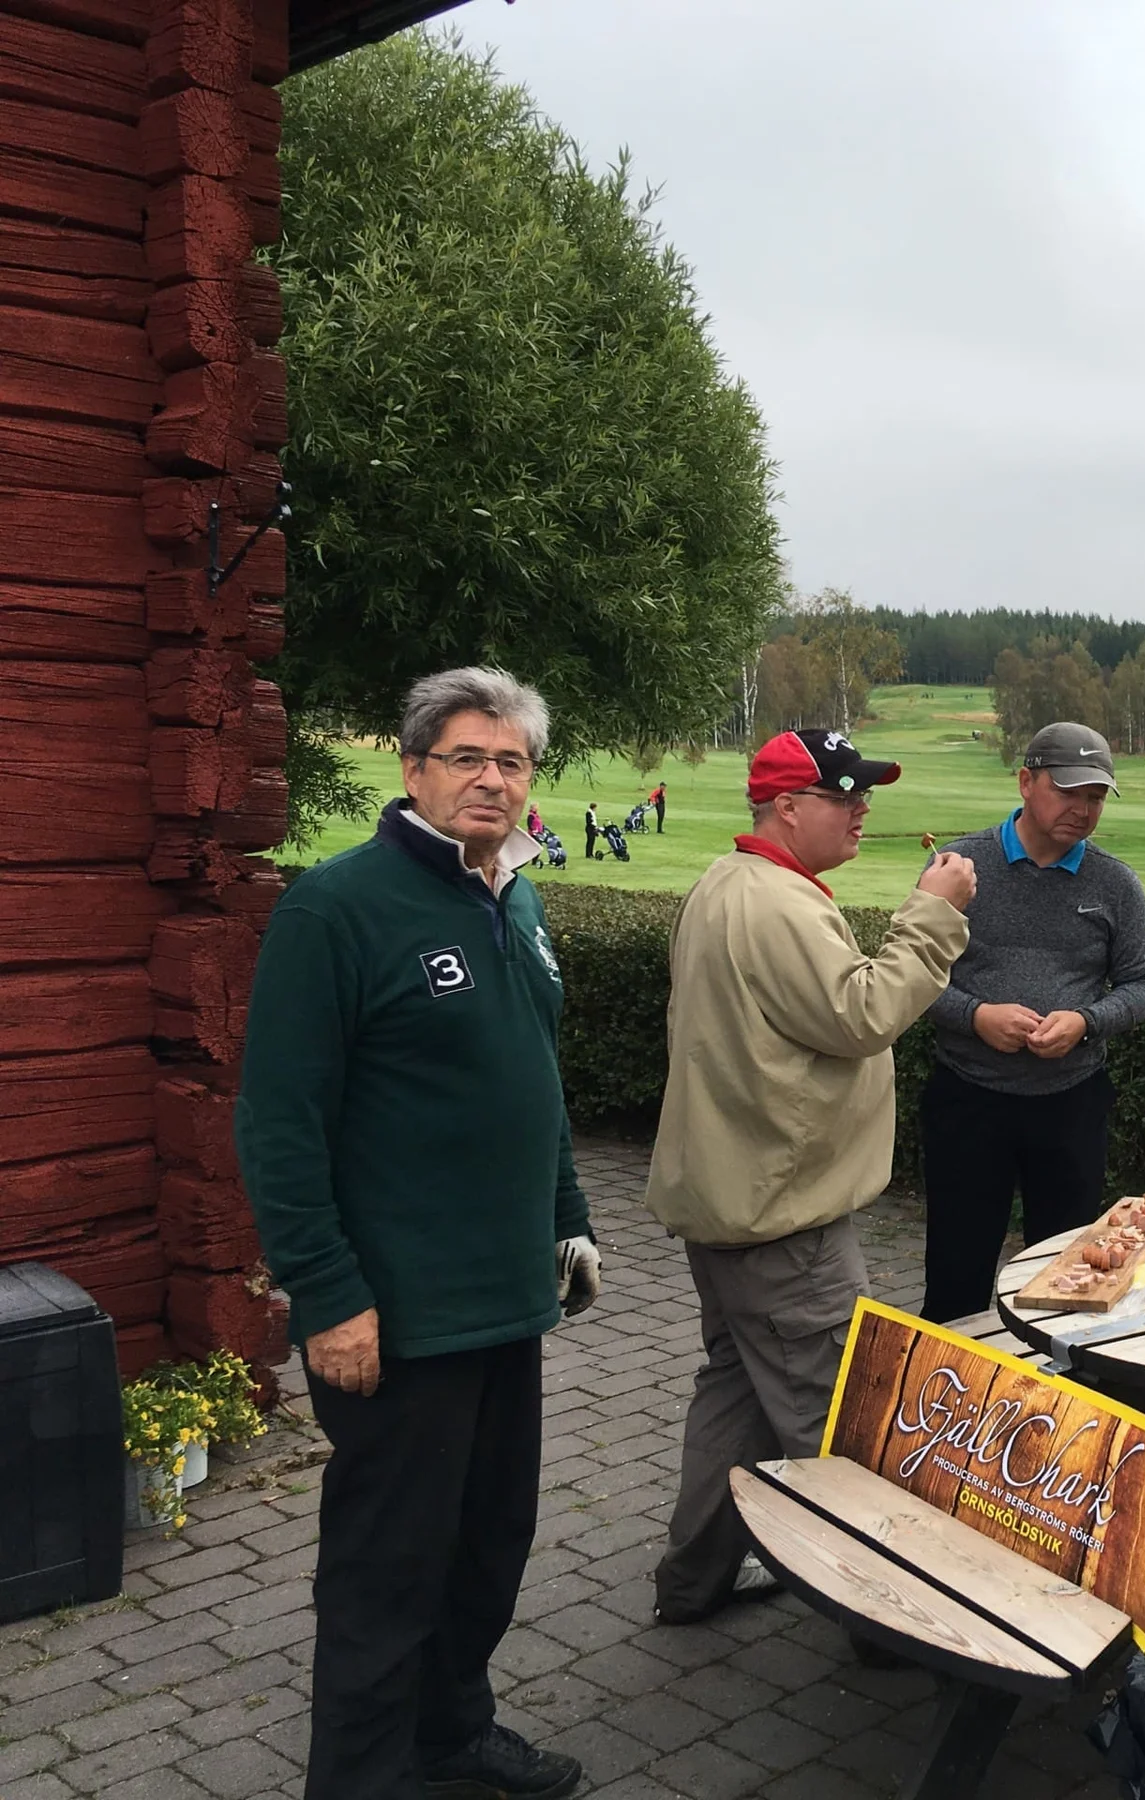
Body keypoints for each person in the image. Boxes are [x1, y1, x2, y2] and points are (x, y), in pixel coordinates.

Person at [236, 667, 595, 1800]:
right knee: (387, 1572)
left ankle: (448, 1734)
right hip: (395, 1315)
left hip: (505, 1301)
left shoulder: (515, 894)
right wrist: (326, 1292)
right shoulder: (337, 909)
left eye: (513, 761)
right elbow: (279, 1121)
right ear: (413, 771)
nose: (493, 779)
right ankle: (359, 1778)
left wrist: (570, 1220)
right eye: (468, 758)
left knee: (491, 1546)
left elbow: (532, 1078)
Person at [645, 728, 975, 1623]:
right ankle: (888, 1623)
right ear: (788, 808)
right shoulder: (780, 904)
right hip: (784, 1222)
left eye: (863, 793)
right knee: (839, 1421)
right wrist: (933, 909)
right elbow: (864, 1014)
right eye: (844, 796)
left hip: (731, 1204)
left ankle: (693, 1582)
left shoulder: (729, 883)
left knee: (738, 1395)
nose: (863, 808)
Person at [917, 722, 1145, 1326]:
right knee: (957, 1274)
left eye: (1096, 797)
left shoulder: (1115, 883)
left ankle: (1056, 1406)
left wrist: (1086, 1020)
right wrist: (976, 1016)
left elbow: (1144, 985)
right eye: (1068, 791)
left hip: (1071, 1105)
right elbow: (912, 978)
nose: (1082, 810)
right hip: (968, 1102)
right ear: (1026, 782)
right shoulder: (958, 867)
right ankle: (951, 1407)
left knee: (1069, 1277)